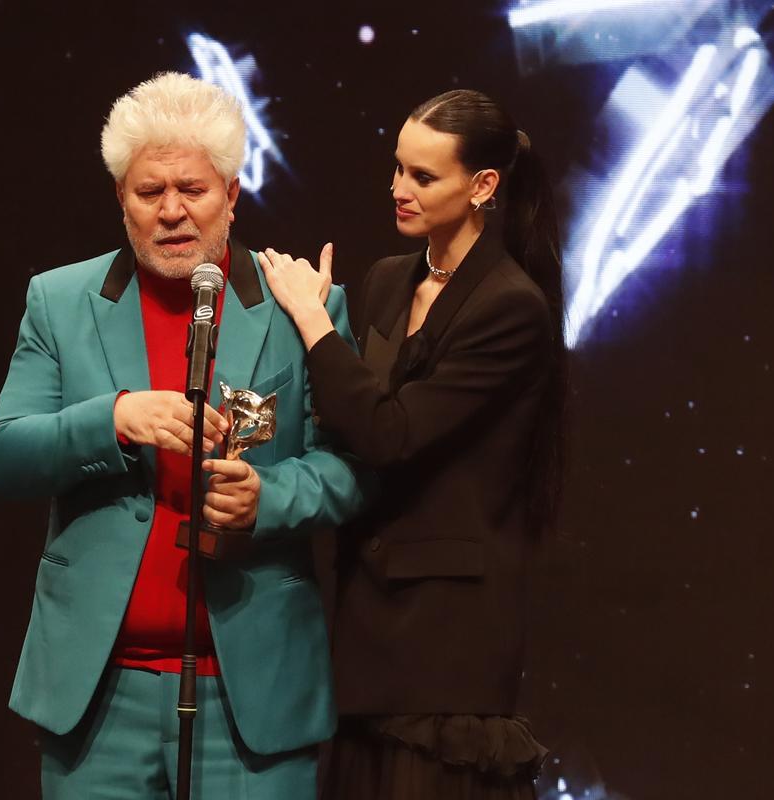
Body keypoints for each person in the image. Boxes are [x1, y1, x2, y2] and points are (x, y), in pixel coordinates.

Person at [0, 72, 365, 800]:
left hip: (252, 696)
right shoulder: (60, 302)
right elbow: (5, 454)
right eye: (148, 192)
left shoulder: (304, 305)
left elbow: (352, 469)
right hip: (97, 700)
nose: (171, 211)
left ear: (232, 194)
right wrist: (115, 418)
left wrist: (268, 498)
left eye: (192, 188)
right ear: (120, 200)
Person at [259, 88, 566, 799]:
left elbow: (389, 433)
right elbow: (351, 419)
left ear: (483, 186)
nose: (398, 190)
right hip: (365, 619)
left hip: (444, 640)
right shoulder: (388, 281)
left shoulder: (510, 307)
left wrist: (313, 321)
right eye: (398, 169)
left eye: (423, 177)